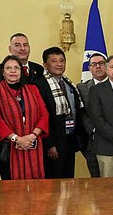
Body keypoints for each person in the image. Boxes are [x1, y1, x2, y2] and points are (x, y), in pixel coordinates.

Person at [0, 55, 49, 180]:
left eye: (16, 68)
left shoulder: (33, 89)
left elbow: (44, 114)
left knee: (38, 190)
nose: (13, 71)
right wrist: (17, 139)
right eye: (8, 68)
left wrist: (32, 136)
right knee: (12, 193)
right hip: (10, 148)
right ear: (3, 72)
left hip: (34, 144)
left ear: (21, 72)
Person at [34, 47, 83, 179]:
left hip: (69, 139)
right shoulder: (39, 85)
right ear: (45, 64)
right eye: (54, 61)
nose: (59, 64)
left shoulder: (68, 82)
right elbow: (41, 117)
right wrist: (50, 144)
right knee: (55, 181)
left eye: (62, 60)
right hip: (54, 142)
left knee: (69, 179)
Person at [77, 52, 108, 177]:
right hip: (92, 140)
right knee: (96, 178)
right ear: (89, 68)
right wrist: (95, 130)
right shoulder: (81, 88)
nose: (98, 67)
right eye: (94, 64)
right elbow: (82, 114)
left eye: (101, 63)